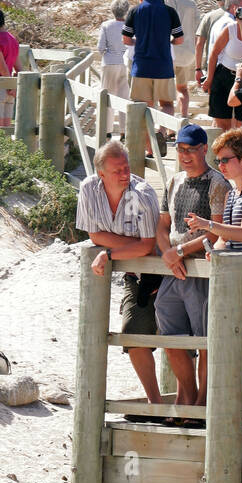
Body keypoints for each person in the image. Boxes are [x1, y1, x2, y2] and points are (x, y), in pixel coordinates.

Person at [185, 128, 242, 416]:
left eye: (225, 160)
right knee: (236, 339)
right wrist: (214, 249)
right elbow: (227, 238)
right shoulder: (233, 191)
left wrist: (207, 226)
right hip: (236, 276)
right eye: (219, 161)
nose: (220, 166)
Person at [75, 141, 161, 411]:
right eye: (117, 170)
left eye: (127, 168)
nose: (125, 174)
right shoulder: (89, 188)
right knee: (133, 334)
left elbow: (147, 245)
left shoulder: (142, 194)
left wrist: (112, 252)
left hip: (159, 273)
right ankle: (155, 403)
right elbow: (94, 235)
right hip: (134, 275)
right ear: (101, 173)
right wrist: (130, 244)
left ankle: (187, 405)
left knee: (179, 338)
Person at [154, 123, 229, 414]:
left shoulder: (217, 183)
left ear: (204, 149)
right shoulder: (173, 182)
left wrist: (180, 252)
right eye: (180, 149)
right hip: (174, 268)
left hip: (201, 268)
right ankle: (187, 397)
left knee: (205, 339)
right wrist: (168, 255)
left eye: (190, 149)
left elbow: (216, 230)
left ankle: (201, 404)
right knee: (171, 337)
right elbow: (162, 226)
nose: (184, 155)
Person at [122, 0, 183, 116]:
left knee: (144, 106)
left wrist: (137, 42)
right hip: (163, 65)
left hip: (142, 65)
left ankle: (147, 137)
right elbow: (180, 40)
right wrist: (168, 42)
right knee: (167, 104)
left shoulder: (135, 11)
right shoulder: (169, 12)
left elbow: (125, 39)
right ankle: (162, 132)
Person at [202, 0, 242, 130]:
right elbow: (215, 53)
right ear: (234, 7)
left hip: (219, 73)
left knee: (220, 123)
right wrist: (210, 79)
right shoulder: (230, 24)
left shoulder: (220, 21)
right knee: (226, 124)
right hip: (224, 74)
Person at [160, 0, 198, 117]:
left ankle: (168, 126)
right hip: (188, 51)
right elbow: (196, 26)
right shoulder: (190, 1)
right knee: (183, 89)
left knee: (166, 94)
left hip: (170, 50)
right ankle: (183, 119)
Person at [95, 0, 129, 135]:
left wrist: (106, 53)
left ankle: (107, 130)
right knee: (124, 97)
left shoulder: (106, 25)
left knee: (108, 97)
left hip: (109, 63)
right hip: (125, 63)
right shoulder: (130, 25)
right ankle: (123, 131)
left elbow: (100, 47)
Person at [194, 0, 230, 92]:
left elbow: (199, 44)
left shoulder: (209, 17)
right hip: (232, 65)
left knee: (214, 102)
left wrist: (198, 68)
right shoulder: (237, 16)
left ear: (218, 0)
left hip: (212, 66)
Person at [0, 9, 18, 128]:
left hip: (2, 85)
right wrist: (14, 86)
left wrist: (10, 85)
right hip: (10, 91)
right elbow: (19, 68)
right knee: (5, 131)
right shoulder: (12, 39)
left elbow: (3, 69)